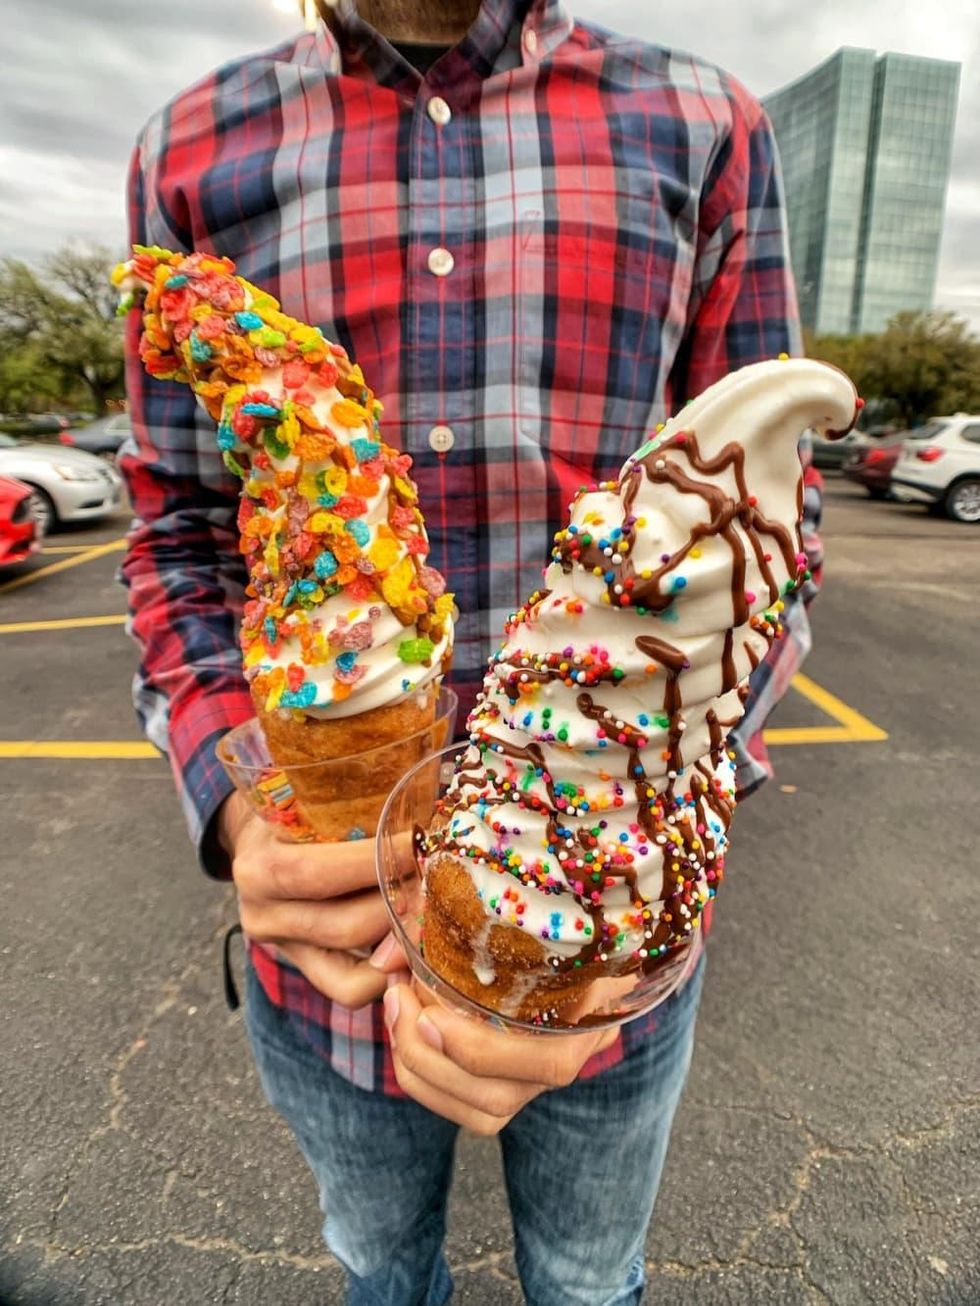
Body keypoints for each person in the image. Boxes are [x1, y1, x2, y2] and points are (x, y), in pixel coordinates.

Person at [120, 1, 814, 1301]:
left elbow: (763, 534)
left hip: (603, 949)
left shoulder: (706, 124)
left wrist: (626, 840)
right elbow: (177, 536)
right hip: (327, 967)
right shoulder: (191, 148)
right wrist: (236, 805)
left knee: (590, 1281)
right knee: (380, 1270)